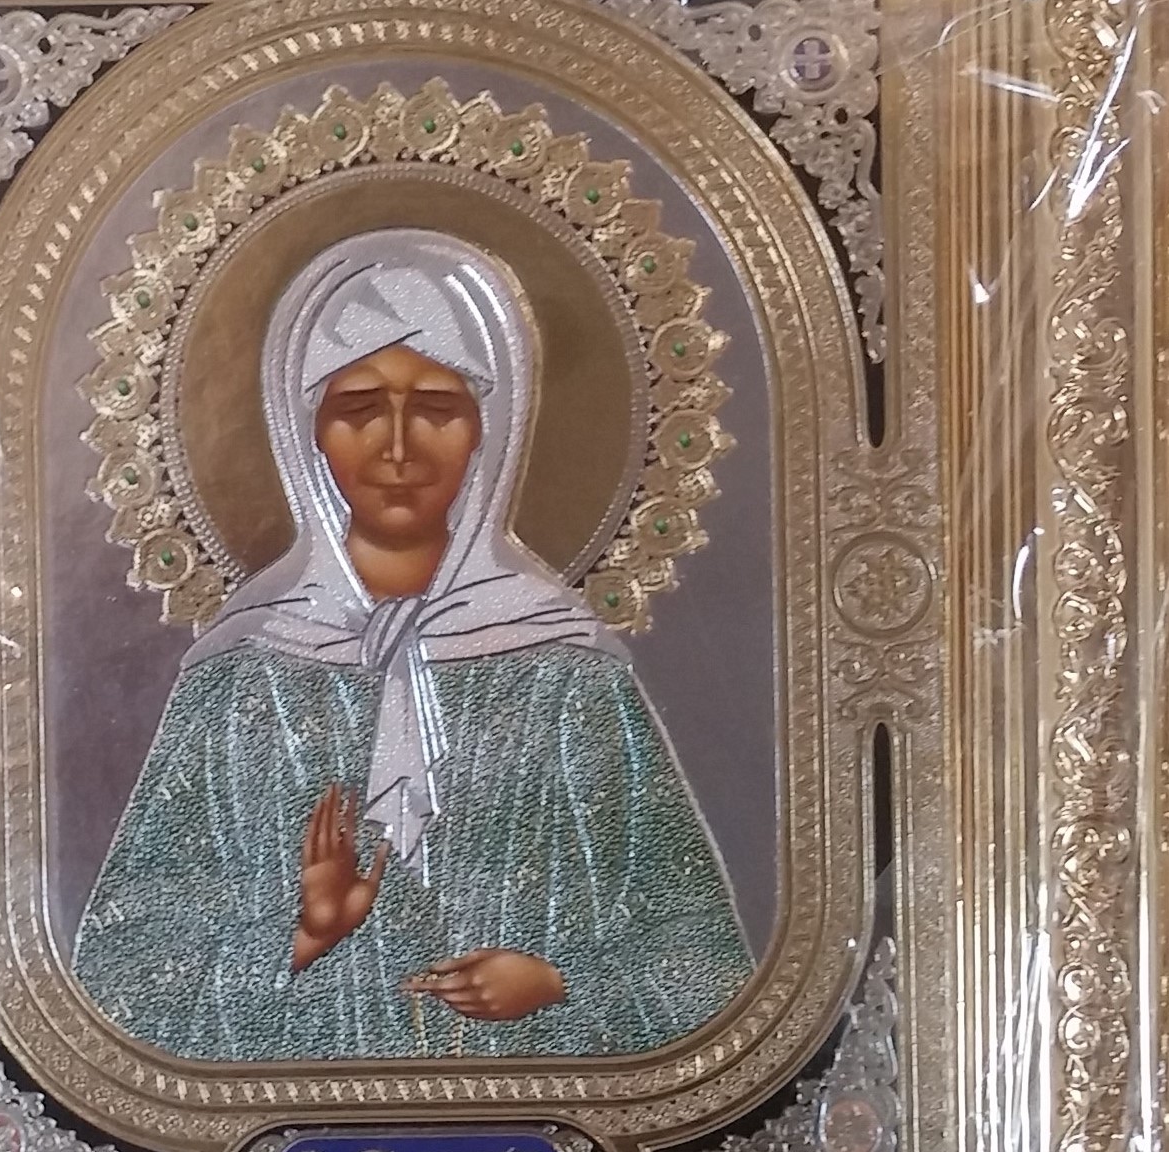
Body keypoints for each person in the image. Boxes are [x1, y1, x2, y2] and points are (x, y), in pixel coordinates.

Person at [68, 229, 752, 1060]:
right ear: (306, 432)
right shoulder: (243, 676)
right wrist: (302, 938)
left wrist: (559, 984)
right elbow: (122, 979)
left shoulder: (569, 675)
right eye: (359, 410)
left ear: (489, 428)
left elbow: (704, 967)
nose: (397, 447)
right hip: (297, 1126)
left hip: (527, 1125)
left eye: (436, 407)